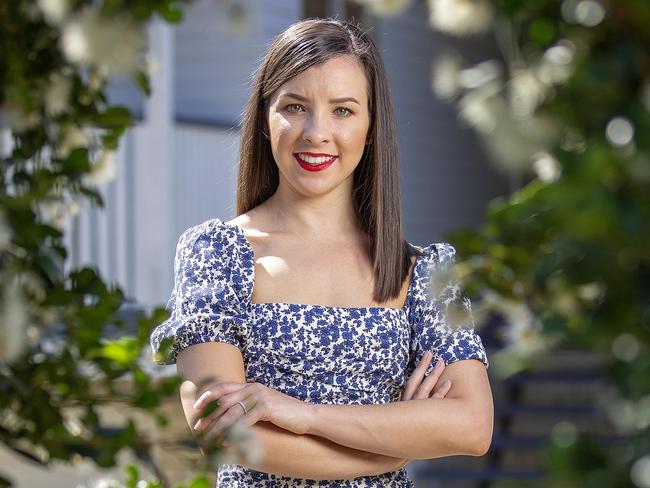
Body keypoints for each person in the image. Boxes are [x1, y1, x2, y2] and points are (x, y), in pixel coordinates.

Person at [150, 17, 492, 487]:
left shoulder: (423, 271)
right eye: (294, 106)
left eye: (343, 110)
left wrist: (303, 415)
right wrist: (395, 445)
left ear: (372, 127)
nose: (316, 132)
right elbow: (226, 432)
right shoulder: (217, 253)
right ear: (266, 118)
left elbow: (473, 427)